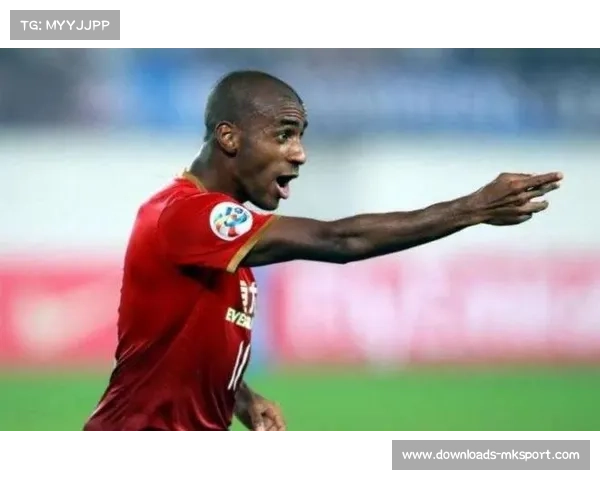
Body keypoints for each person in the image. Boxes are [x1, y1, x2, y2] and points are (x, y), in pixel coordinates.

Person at [83, 70, 562, 432]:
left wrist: (240, 398)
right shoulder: (188, 214)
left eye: (300, 136)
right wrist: (473, 208)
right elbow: (338, 240)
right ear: (229, 137)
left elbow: (178, 348)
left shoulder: (225, 242)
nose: (299, 153)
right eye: (284, 134)